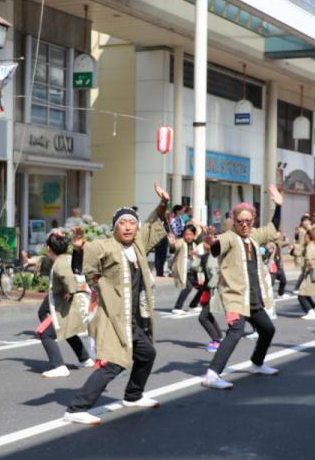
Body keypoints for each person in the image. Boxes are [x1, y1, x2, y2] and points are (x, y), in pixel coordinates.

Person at [62, 182, 171, 426]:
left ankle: (133, 395)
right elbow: (83, 262)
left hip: (130, 318)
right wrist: (78, 249)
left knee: (147, 353)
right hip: (111, 316)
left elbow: (154, 222)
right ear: (115, 227)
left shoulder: (138, 244)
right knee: (114, 362)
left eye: (132, 222)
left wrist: (164, 203)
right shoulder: (106, 246)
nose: (129, 227)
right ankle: (76, 407)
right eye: (123, 222)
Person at [200, 185, 285, 390]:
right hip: (235, 296)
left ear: (252, 221)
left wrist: (279, 206)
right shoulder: (230, 237)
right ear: (234, 222)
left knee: (268, 329)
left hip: (253, 297)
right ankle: (212, 374)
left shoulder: (254, 236)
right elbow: (217, 244)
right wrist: (212, 241)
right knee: (236, 332)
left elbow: (271, 229)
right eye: (240, 221)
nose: (245, 225)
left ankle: (257, 363)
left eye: (248, 221)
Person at [37, 228, 96, 378]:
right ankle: (85, 358)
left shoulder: (60, 264)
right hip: (76, 302)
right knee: (67, 329)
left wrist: (70, 291)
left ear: (49, 249)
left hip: (71, 305)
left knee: (45, 334)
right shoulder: (67, 258)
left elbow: (68, 277)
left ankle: (59, 366)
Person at [171, 223, 200, 315]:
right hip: (183, 271)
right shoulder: (181, 242)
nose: (188, 236)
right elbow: (174, 247)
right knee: (188, 287)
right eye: (186, 234)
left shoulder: (194, 244)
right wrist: (172, 243)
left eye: (190, 234)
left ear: (194, 235)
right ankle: (177, 307)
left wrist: (195, 255)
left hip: (192, 271)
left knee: (204, 286)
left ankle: (194, 304)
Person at [297, 225, 315, 319]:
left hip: (310, 274)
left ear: (309, 236)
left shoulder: (309, 246)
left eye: (305, 236)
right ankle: (314, 309)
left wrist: (305, 270)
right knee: (306, 294)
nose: (304, 238)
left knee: (301, 294)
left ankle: (310, 311)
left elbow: (308, 262)